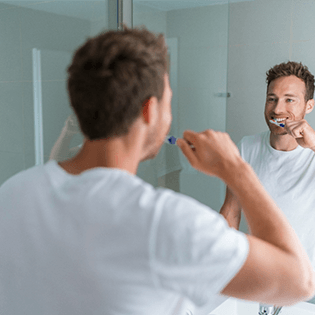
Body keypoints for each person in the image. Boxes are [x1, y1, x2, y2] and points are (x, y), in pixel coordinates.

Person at [0, 26, 314, 315]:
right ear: (150, 111)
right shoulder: (166, 221)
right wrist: (237, 171)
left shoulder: (13, 192)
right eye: (169, 102)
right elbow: (298, 282)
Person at [220, 62, 315, 274]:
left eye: (289, 100)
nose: (278, 109)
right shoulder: (247, 147)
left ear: (309, 106)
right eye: (272, 99)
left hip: (305, 286)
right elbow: (231, 212)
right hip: (259, 277)